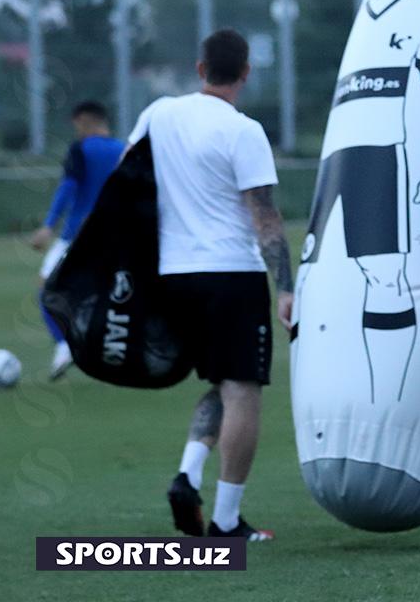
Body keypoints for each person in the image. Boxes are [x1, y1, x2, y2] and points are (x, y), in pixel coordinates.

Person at [127, 29, 294, 542]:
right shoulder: (243, 130)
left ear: (200, 69)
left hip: (172, 275)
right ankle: (225, 521)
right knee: (243, 389)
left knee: (221, 383)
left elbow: (126, 182)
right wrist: (286, 287)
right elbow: (264, 216)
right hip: (230, 274)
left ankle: (188, 473)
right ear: (246, 73)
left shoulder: (158, 114)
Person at [297, 0, 420, 403]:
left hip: (380, 158)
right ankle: (332, 396)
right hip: (337, 161)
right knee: (315, 278)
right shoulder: (363, 23)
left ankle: (386, 401)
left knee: (385, 275)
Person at [29, 101, 125, 379]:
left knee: (47, 290)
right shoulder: (124, 150)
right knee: (108, 295)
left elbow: (69, 186)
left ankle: (64, 346)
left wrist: (48, 226)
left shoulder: (80, 149)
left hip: (77, 235)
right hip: (116, 236)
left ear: (83, 119)